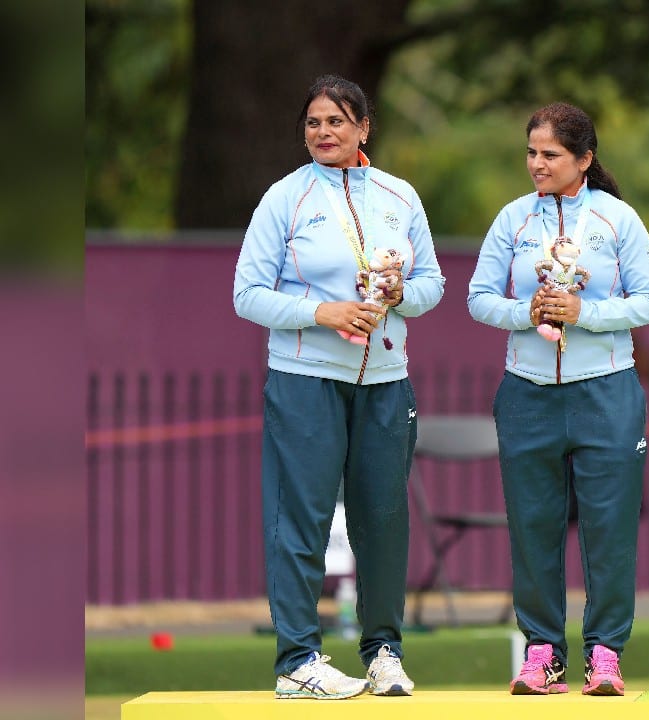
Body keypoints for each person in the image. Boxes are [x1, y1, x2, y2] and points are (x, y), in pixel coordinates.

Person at [233, 74, 445, 700]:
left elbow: (432, 285)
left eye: (336, 121)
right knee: (301, 519)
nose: (323, 133)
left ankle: (383, 653)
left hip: (385, 381)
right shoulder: (285, 199)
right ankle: (298, 661)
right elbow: (247, 293)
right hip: (305, 381)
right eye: (313, 123)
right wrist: (321, 312)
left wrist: (399, 294)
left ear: (363, 128)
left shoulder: (399, 196)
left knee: (383, 522)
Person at [467, 102, 649, 697]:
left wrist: (587, 313)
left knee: (608, 527)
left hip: (606, 390)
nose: (537, 164)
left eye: (550, 154)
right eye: (531, 152)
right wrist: (524, 313)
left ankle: (605, 654)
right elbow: (478, 298)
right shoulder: (512, 220)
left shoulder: (618, 219)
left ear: (584, 158)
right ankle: (542, 653)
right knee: (533, 526)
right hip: (527, 392)